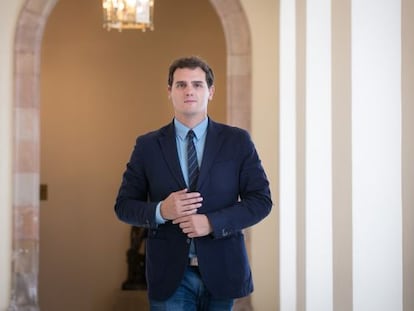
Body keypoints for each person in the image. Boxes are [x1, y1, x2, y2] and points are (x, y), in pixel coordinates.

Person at [114, 56, 272, 310]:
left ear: (210, 92)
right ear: (169, 92)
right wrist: (161, 211)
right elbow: (123, 206)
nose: (189, 91)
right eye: (181, 85)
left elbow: (261, 201)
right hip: (170, 275)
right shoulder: (147, 146)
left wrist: (211, 223)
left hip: (223, 270)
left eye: (197, 85)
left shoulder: (237, 142)